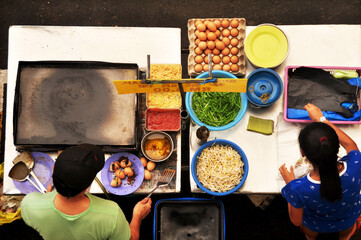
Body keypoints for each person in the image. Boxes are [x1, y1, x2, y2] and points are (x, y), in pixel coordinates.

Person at [20, 144, 152, 240]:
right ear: (88, 186)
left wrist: (47, 199)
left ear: (54, 170)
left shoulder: (29, 203)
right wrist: (137, 216)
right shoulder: (112, 214)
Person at [279, 103, 361, 240]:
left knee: (310, 234)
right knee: (346, 232)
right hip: (348, 217)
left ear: (302, 153)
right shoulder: (356, 163)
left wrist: (290, 183)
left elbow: (296, 221)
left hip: (315, 225)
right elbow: (351, 145)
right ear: (337, 146)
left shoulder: (297, 188)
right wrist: (322, 119)